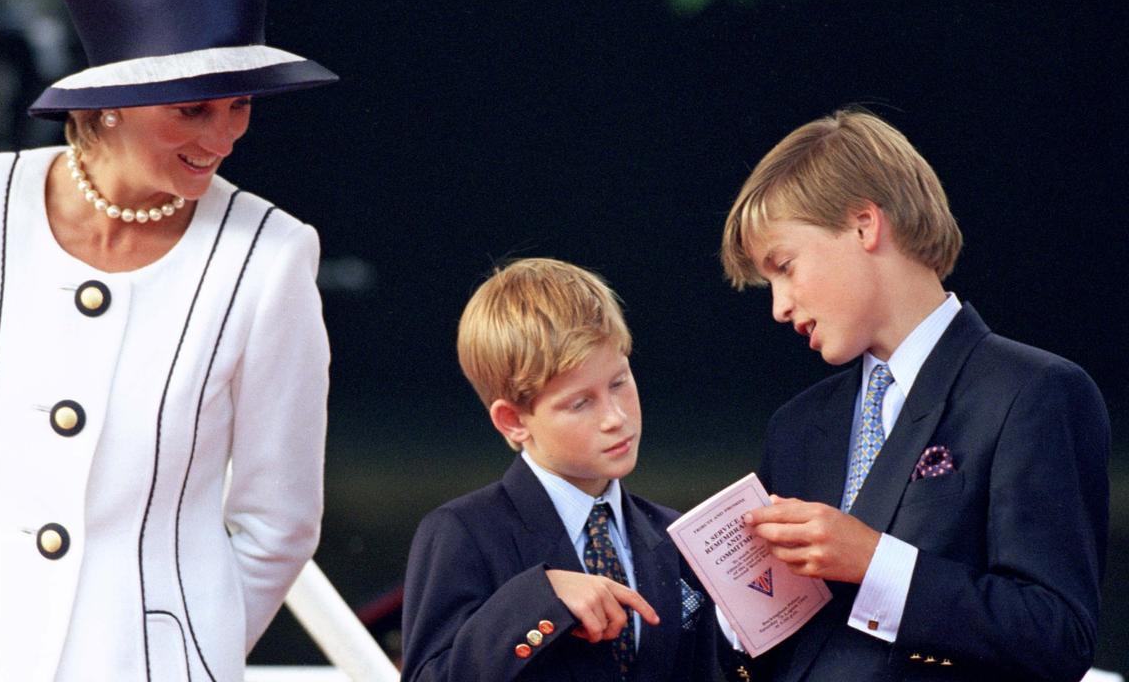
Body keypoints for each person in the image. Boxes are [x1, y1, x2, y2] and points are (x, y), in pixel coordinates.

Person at [0, 0, 337, 679]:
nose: (222, 140)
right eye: (192, 111)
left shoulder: (271, 256)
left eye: (239, 105)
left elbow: (281, 520)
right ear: (112, 100)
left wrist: (182, 645)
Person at [716, 109, 1109, 681]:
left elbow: (1059, 635)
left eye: (785, 267)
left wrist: (876, 563)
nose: (778, 307)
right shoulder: (797, 426)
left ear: (864, 225)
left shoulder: (1034, 392)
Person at [401, 258, 720, 681]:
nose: (615, 417)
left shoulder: (677, 535)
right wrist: (540, 599)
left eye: (619, 382)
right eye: (580, 403)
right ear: (513, 421)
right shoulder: (462, 533)